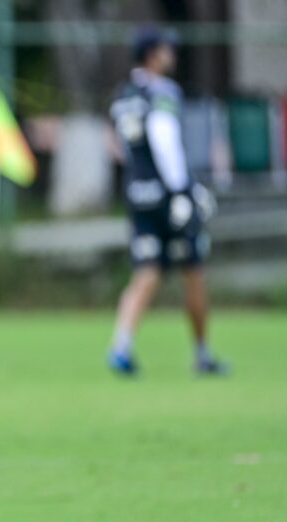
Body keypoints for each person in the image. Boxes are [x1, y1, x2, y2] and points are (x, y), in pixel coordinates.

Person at [107, 27, 226, 376]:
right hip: (168, 197)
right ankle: (202, 353)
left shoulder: (122, 94)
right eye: (165, 49)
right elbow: (165, 142)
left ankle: (121, 346)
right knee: (193, 271)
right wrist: (181, 191)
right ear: (151, 54)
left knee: (145, 272)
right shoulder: (162, 92)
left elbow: (117, 145)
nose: (172, 53)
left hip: (137, 194)